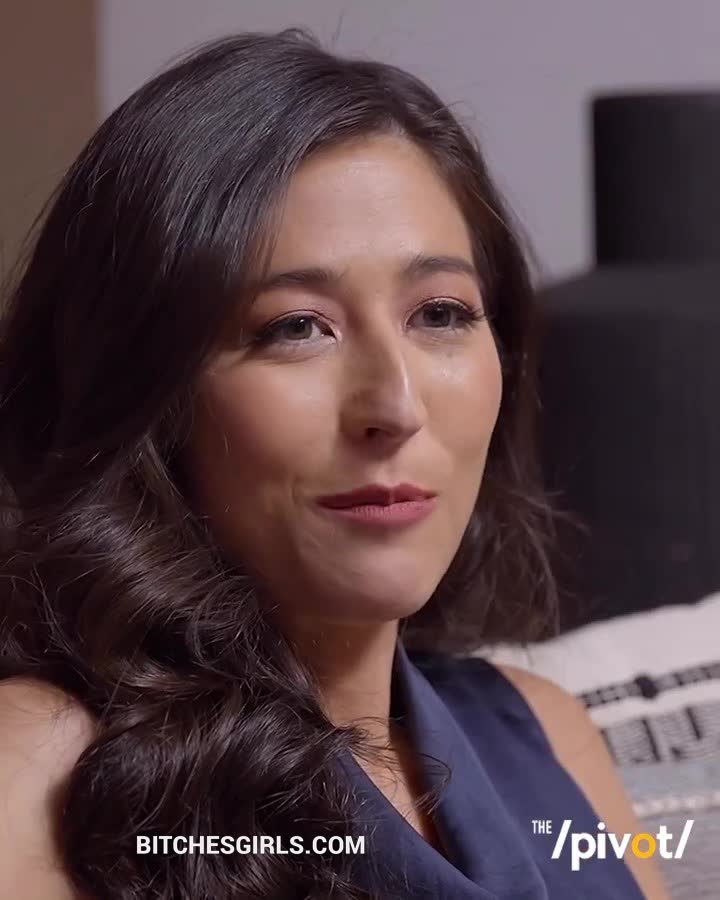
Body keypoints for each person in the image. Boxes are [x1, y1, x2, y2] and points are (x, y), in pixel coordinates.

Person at [0, 29, 669, 900]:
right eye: (295, 327)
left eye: (440, 313)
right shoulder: (39, 768)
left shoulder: (549, 739)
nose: (396, 404)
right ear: (146, 393)